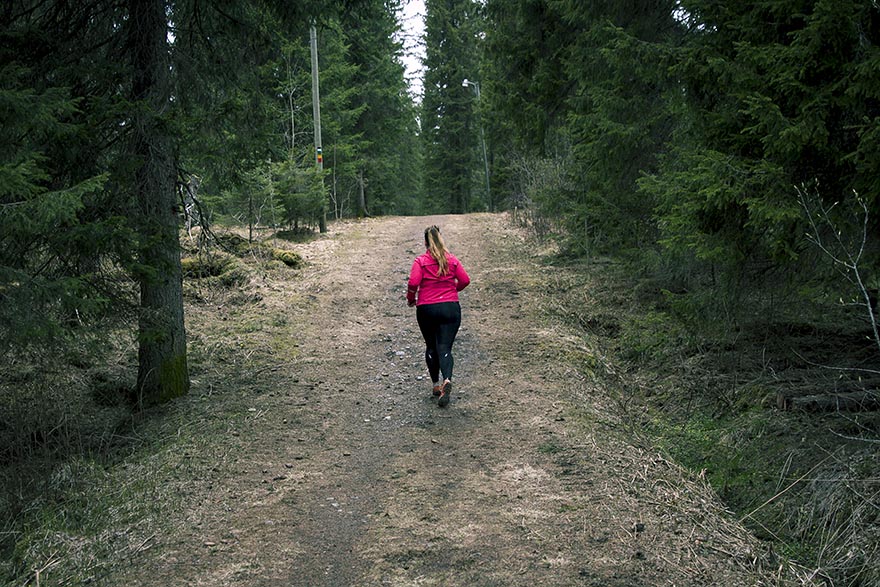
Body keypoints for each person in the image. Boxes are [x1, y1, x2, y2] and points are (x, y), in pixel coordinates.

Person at [407, 225, 470, 407]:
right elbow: (465, 280)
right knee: (444, 347)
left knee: (431, 346)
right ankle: (447, 380)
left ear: (425, 242)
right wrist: (452, 290)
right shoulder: (451, 259)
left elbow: (413, 282)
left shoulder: (421, 261)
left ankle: (435, 385)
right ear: (441, 239)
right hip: (450, 308)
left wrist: (412, 298)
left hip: (427, 308)